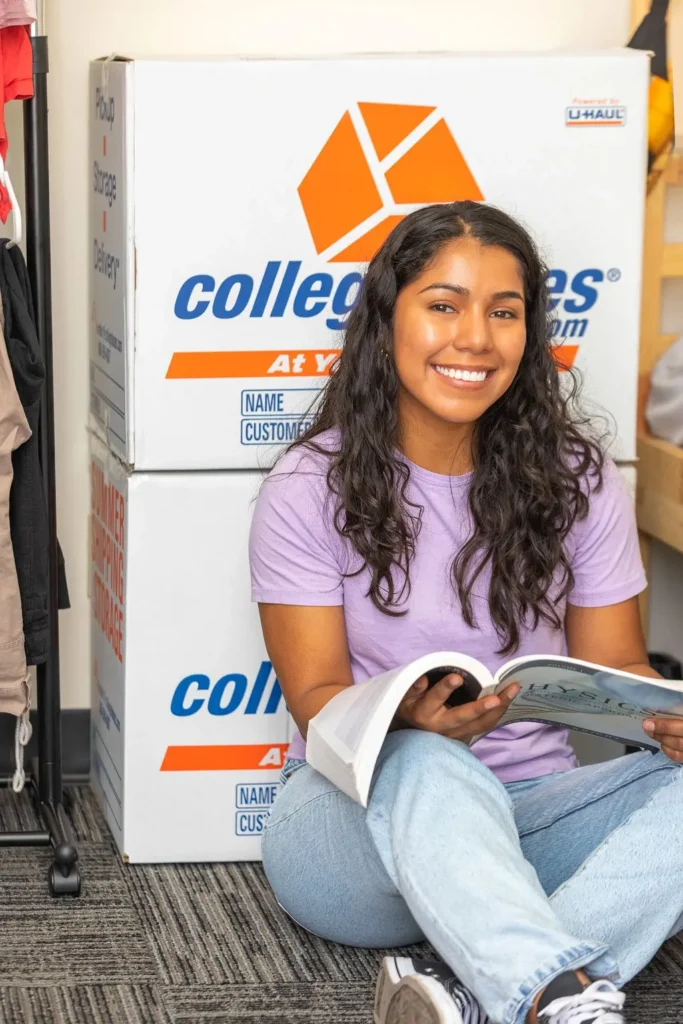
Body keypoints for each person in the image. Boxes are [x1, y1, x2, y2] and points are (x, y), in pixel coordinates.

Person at [248, 201, 683, 1024]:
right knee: (418, 759)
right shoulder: (308, 487)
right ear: (386, 325)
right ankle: (536, 982)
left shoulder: (577, 478)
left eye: (503, 312)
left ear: (528, 336)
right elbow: (315, 700)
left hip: (529, 826)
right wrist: (405, 727)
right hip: (351, 831)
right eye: (443, 305)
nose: (475, 337)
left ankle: (511, 997)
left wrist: (662, 718)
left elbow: (619, 666)